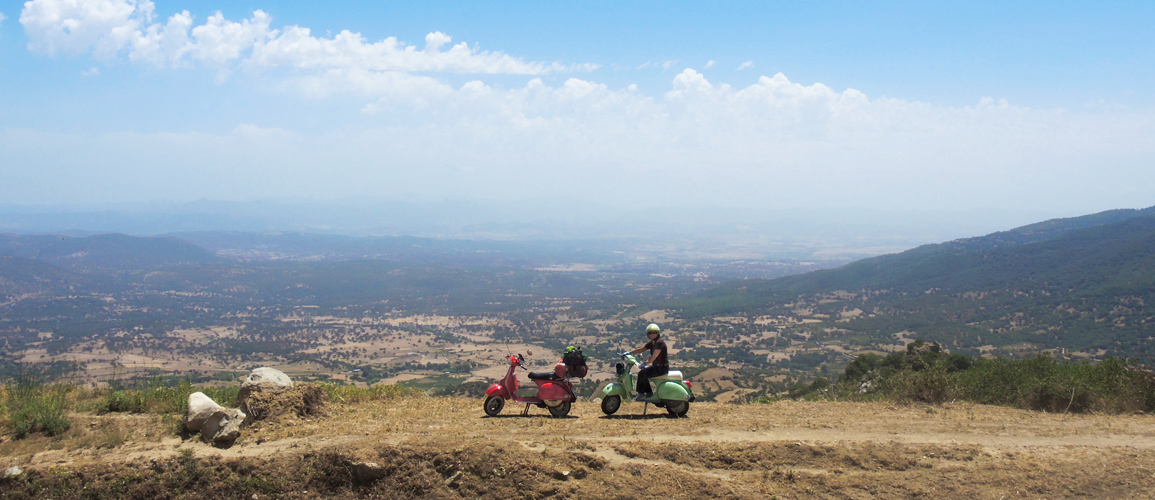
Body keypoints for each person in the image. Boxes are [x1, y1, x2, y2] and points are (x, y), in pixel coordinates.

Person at [628, 323, 669, 401]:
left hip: (662, 368)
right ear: (648, 334)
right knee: (644, 373)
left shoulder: (659, 343)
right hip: (657, 367)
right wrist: (629, 352)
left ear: (658, 333)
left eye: (655, 332)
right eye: (650, 333)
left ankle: (641, 394)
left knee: (642, 373)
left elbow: (654, 356)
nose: (652, 334)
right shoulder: (652, 343)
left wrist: (645, 363)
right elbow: (641, 349)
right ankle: (649, 393)